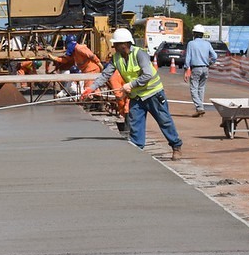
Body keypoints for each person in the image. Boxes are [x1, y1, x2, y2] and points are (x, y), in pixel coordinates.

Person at [89, 28, 183, 160]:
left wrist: (131, 84)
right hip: (137, 97)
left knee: (164, 121)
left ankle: (176, 146)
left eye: (116, 44)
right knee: (135, 125)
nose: (113, 47)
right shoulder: (116, 58)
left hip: (153, 94)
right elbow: (105, 74)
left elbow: (148, 74)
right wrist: (92, 87)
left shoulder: (140, 54)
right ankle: (136, 150)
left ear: (125, 44)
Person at [183, 24, 218, 117]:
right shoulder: (207, 43)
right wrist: (210, 63)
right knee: (201, 89)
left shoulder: (191, 43)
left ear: (194, 34)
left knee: (193, 89)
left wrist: (186, 70)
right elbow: (215, 56)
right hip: (205, 68)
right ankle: (199, 109)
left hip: (196, 68)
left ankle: (199, 108)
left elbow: (188, 58)